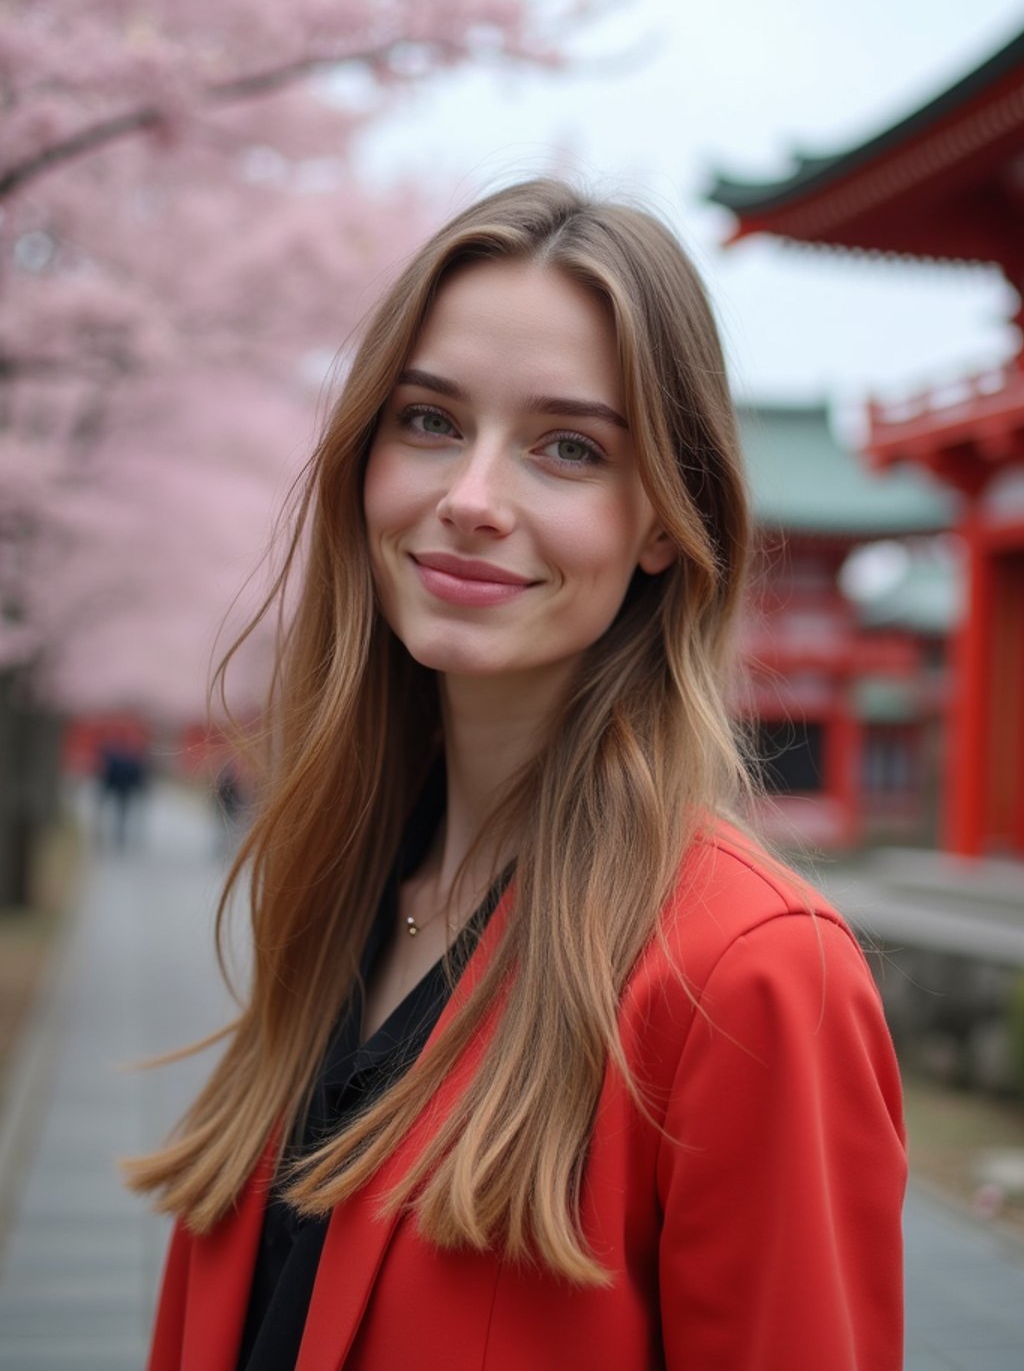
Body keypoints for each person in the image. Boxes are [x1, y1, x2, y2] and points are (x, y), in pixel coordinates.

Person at [128, 180, 906, 1371]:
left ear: (663, 520)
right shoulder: (338, 882)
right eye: (429, 422)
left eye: (568, 448)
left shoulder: (745, 981)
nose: (472, 500)